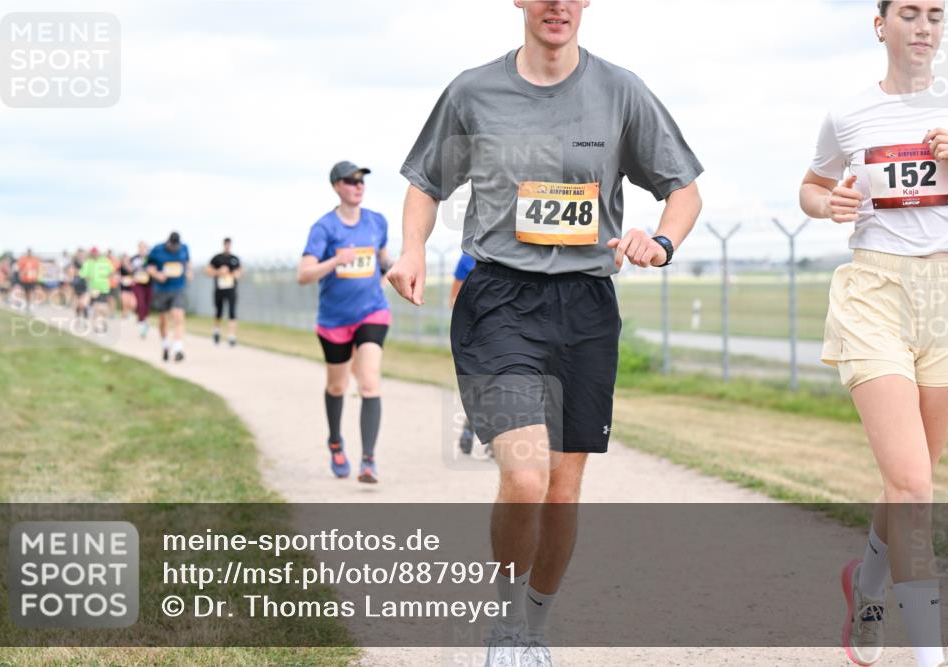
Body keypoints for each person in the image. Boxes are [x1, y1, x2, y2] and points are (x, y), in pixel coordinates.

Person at [388, 2, 703, 664]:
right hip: (499, 299)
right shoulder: (473, 91)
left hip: (586, 307)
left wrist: (662, 240)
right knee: (526, 475)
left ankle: (534, 624)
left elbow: (684, 189)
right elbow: (425, 182)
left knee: (562, 489)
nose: (557, 4)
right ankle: (504, 625)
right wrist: (413, 248)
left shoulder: (620, 90)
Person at [800, 2, 948, 665]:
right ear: (881, 25)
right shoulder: (848, 114)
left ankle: (865, 587)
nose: (923, 27)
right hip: (875, 291)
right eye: (909, 13)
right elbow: (811, 187)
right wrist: (827, 202)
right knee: (914, 485)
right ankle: (931, 658)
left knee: (911, 480)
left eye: (935, 14)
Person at [299, 161, 393, 484]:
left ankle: (368, 461)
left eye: (362, 180)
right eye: (352, 181)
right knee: (338, 385)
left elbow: (383, 259)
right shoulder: (324, 228)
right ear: (337, 186)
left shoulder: (377, 222)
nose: (359, 185)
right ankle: (335, 441)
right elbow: (304, 274)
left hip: (372, 312)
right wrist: (336, 260)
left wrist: (396, 271)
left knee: (369, 382)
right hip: (334, 319)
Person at [450, 251, 483, 457]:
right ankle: (471, 427)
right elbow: (454, 298)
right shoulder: (467, 258)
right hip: (476, 329)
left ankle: (497, 441)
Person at [147, 232, 192, 362]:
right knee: (163, 321)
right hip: (162, 289)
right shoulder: (157, 250)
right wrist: (156, 274)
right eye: (173, 246)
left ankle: (178, 349)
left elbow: (188, 263)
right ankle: (166, 345)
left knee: (178, 316)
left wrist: (189, 272)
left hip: (178, 288)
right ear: (168, 242)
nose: (175, 249)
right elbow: (149, 267)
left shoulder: (184, 248)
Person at [206, 237, 243, 346]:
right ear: (224, 245)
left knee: (232, 312)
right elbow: (208, 271)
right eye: (226, 244)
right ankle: (217, 331)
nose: (227, 246)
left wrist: (236, 274)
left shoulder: (235, 258)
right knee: (219, 312)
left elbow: (240, 272)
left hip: (231, 289)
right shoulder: (217, 258)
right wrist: (218, 271)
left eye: (229, 245)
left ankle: (232, 336)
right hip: (219, 289)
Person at [78, 247, 115, 333]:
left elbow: (111, 272)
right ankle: (95, 324)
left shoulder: (105, 261)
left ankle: (103, 322)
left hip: (103, 288)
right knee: (89, 305)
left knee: (101, 308)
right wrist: (87, 278)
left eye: (96, 253)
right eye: (93, 253)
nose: (95, 255)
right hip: (92, 288)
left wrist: (105, 278)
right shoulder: (88, 262)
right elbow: (83, 274)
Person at [131, 241, 153, 338]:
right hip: (138, 283)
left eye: (144, 248)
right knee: (140, 303)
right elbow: (130, 270)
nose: (142, 249)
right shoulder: (134, 258)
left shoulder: (151, 258)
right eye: (140, 248)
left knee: (147, 303)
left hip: (149, 283)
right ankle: (142, 324)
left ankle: (145, 319)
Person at [118, 253, 137, 320]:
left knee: (133, 304)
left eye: (127, 259)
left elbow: (136, 276)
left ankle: (129, 313)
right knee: (125, 303)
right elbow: (118, 276)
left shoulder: (133, 267)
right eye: (125, 259)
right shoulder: (120, 268)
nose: (126, 260)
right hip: (124, 288)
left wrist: (133, 280)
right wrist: (121, 279)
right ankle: (124, 317)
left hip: (132, 288)